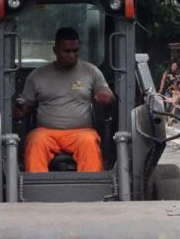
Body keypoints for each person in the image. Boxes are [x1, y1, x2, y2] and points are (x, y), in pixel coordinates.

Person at [14, 27, 115, 172]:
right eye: (66, 51)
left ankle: (91, 189)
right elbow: (25, 106)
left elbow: (108, 95)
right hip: (46, 133)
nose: (72, 55)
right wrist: (19, 111)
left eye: (75, 51)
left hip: (80, 133)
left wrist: (107, 98)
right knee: (35, 140)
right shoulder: (38, 75)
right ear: (55, 50)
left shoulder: (91, 72)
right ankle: (35, 190)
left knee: (89, 141)